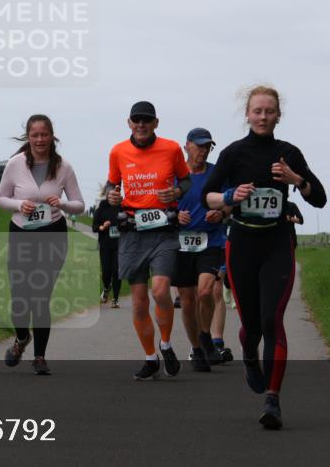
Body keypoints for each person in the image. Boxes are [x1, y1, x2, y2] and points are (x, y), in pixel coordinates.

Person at [203, 85, 326, 429]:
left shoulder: (288, 153)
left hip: (277, 246)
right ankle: (247, 348)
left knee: (273, 320)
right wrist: (229, 194)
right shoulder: (233, 154)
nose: (263, 117)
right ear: (247, 114)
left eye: (269, 111)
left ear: (278, 116)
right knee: (253, 326)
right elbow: (205, 198)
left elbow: (320, 199)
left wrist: (296, 179)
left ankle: (273, 399)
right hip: (241, 245)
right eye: (257, 111)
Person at [105, 101, 191, 381]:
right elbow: (111, 184)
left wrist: (176, 192)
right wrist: (111, 196)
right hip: (132, 230)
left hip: (164, 230)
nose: (141, 124)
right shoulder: (118, 151)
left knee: (160, 289)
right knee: (140, 302)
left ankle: (166, 344)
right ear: (128, 122)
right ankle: (151, 357)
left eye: (147, 120)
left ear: (156, 123)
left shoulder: (171, 148)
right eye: (136, 120)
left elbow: (186, 181)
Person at [0, 115, 85, 375]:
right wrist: (18, 204)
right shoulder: (15, 164)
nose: (39, 139)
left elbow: (79, 202)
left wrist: (63, 204)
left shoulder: (63, 167)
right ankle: (22, 337)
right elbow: (1, 198)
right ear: (28, 137)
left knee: (40, 296)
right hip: (21, 232)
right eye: (34, 135)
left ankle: (40, 357)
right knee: (20, 297)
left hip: (53, 233)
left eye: (44, 134)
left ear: (52, 136)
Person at [172, 128, 230, 372]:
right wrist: (175, 216)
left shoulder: (217, 173)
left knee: (205, 292)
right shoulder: (173, 174)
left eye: (207, 147)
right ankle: (197, 349)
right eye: (199, 145)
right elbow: (160, 204)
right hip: (181, 244)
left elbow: (232, 202)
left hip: (211, 241)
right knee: (187, 301)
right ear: (187, 146)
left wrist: (221, 213)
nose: (203, 151)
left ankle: (205, 335)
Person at [91, 197, 122, 308]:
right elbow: (94, 227)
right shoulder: (101, 209)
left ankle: (115, 299)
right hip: (105, 245)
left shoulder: (121, 208)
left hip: (119, 245)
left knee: (116, 271)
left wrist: (122, 225)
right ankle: (106, 288)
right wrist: (102, 227)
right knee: (106, 272)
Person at [210, 264, 234, 362]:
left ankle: (217, 342)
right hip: (193, 250)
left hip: (216, 249)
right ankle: (199, 344)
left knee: (216, 290)